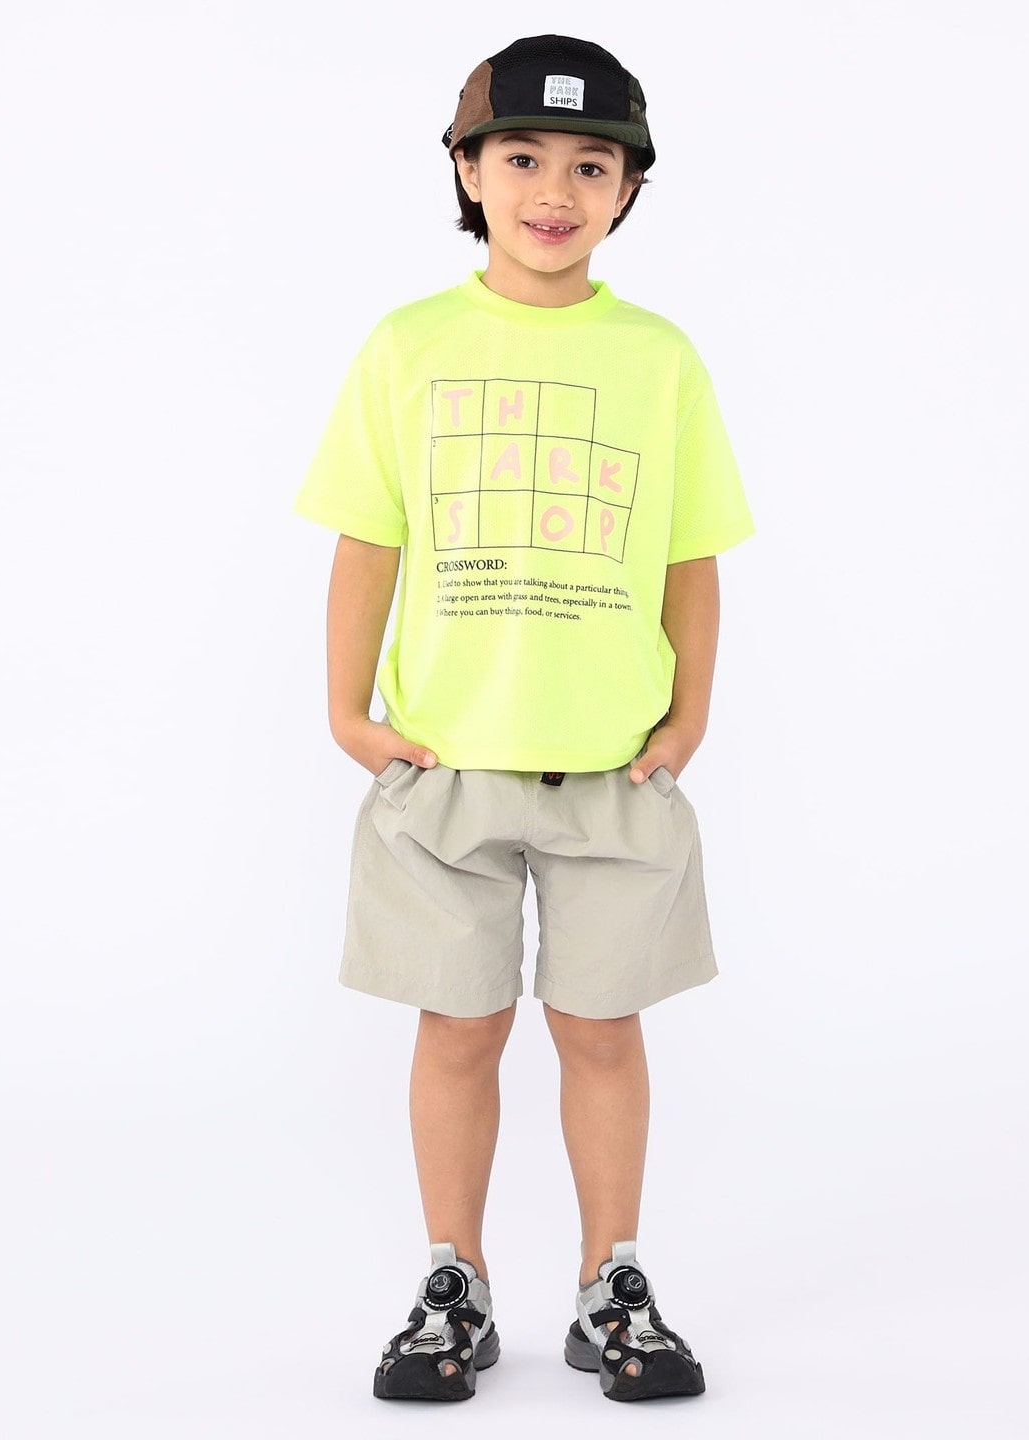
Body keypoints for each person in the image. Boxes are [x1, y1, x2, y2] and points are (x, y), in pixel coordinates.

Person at [292, 33, 755, 1404]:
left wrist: (688, 719)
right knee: (459, 1027)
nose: (555, 189)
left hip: (612, 768)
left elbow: (690, 555)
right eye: (523, 157)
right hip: (447, 764)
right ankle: (456, 1280)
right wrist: (348, 711)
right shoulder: (409, 346)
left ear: (628, 190)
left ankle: (613, 1281)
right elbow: (368, 537)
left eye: (592, 165)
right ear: (468, 172)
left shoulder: (659, 360)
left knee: (602, 1028)